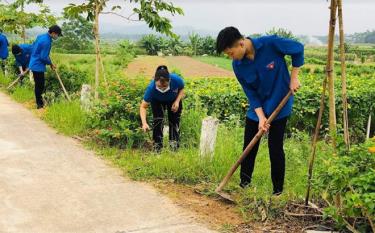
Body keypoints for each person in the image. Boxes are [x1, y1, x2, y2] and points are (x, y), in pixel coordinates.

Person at [216, 26, 304, 195]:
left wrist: (294, 77)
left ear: (241, 44)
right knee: (249, 145)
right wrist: (261, 117)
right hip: (257, 109)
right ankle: (244, 186)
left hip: (280, 105)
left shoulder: (270, 43)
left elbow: (298, 49)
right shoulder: (238, 65)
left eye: (230, 53)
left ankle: (277, 192)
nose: (230, 57)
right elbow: (250, 92)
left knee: (275, 148)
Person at [140, 65, 185, 152]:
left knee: (174, 121)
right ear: (154, 80)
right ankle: (157, 148)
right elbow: (143, 106)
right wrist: (144, 123)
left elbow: (182, 89)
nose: (162, 89)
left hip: (173, 100)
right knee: (158, 121)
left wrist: (177, 101)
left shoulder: (176, 80)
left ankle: (174, 147)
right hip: (157, 101)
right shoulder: (151, 88)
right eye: (159, 87)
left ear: (169, 81)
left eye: (165, 87)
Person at [29, 25, 62, 109]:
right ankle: (39, 105)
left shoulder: (41, 36)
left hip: (34, 62)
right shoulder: (46, 41)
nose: (57, 37)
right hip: (38, 65)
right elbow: (43, 57)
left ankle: (39, 103)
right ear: (53, 33)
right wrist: (50, 63)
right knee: (40, 85)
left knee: (38, 85)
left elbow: (39, 50)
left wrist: (50, 63)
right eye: (58, 35)